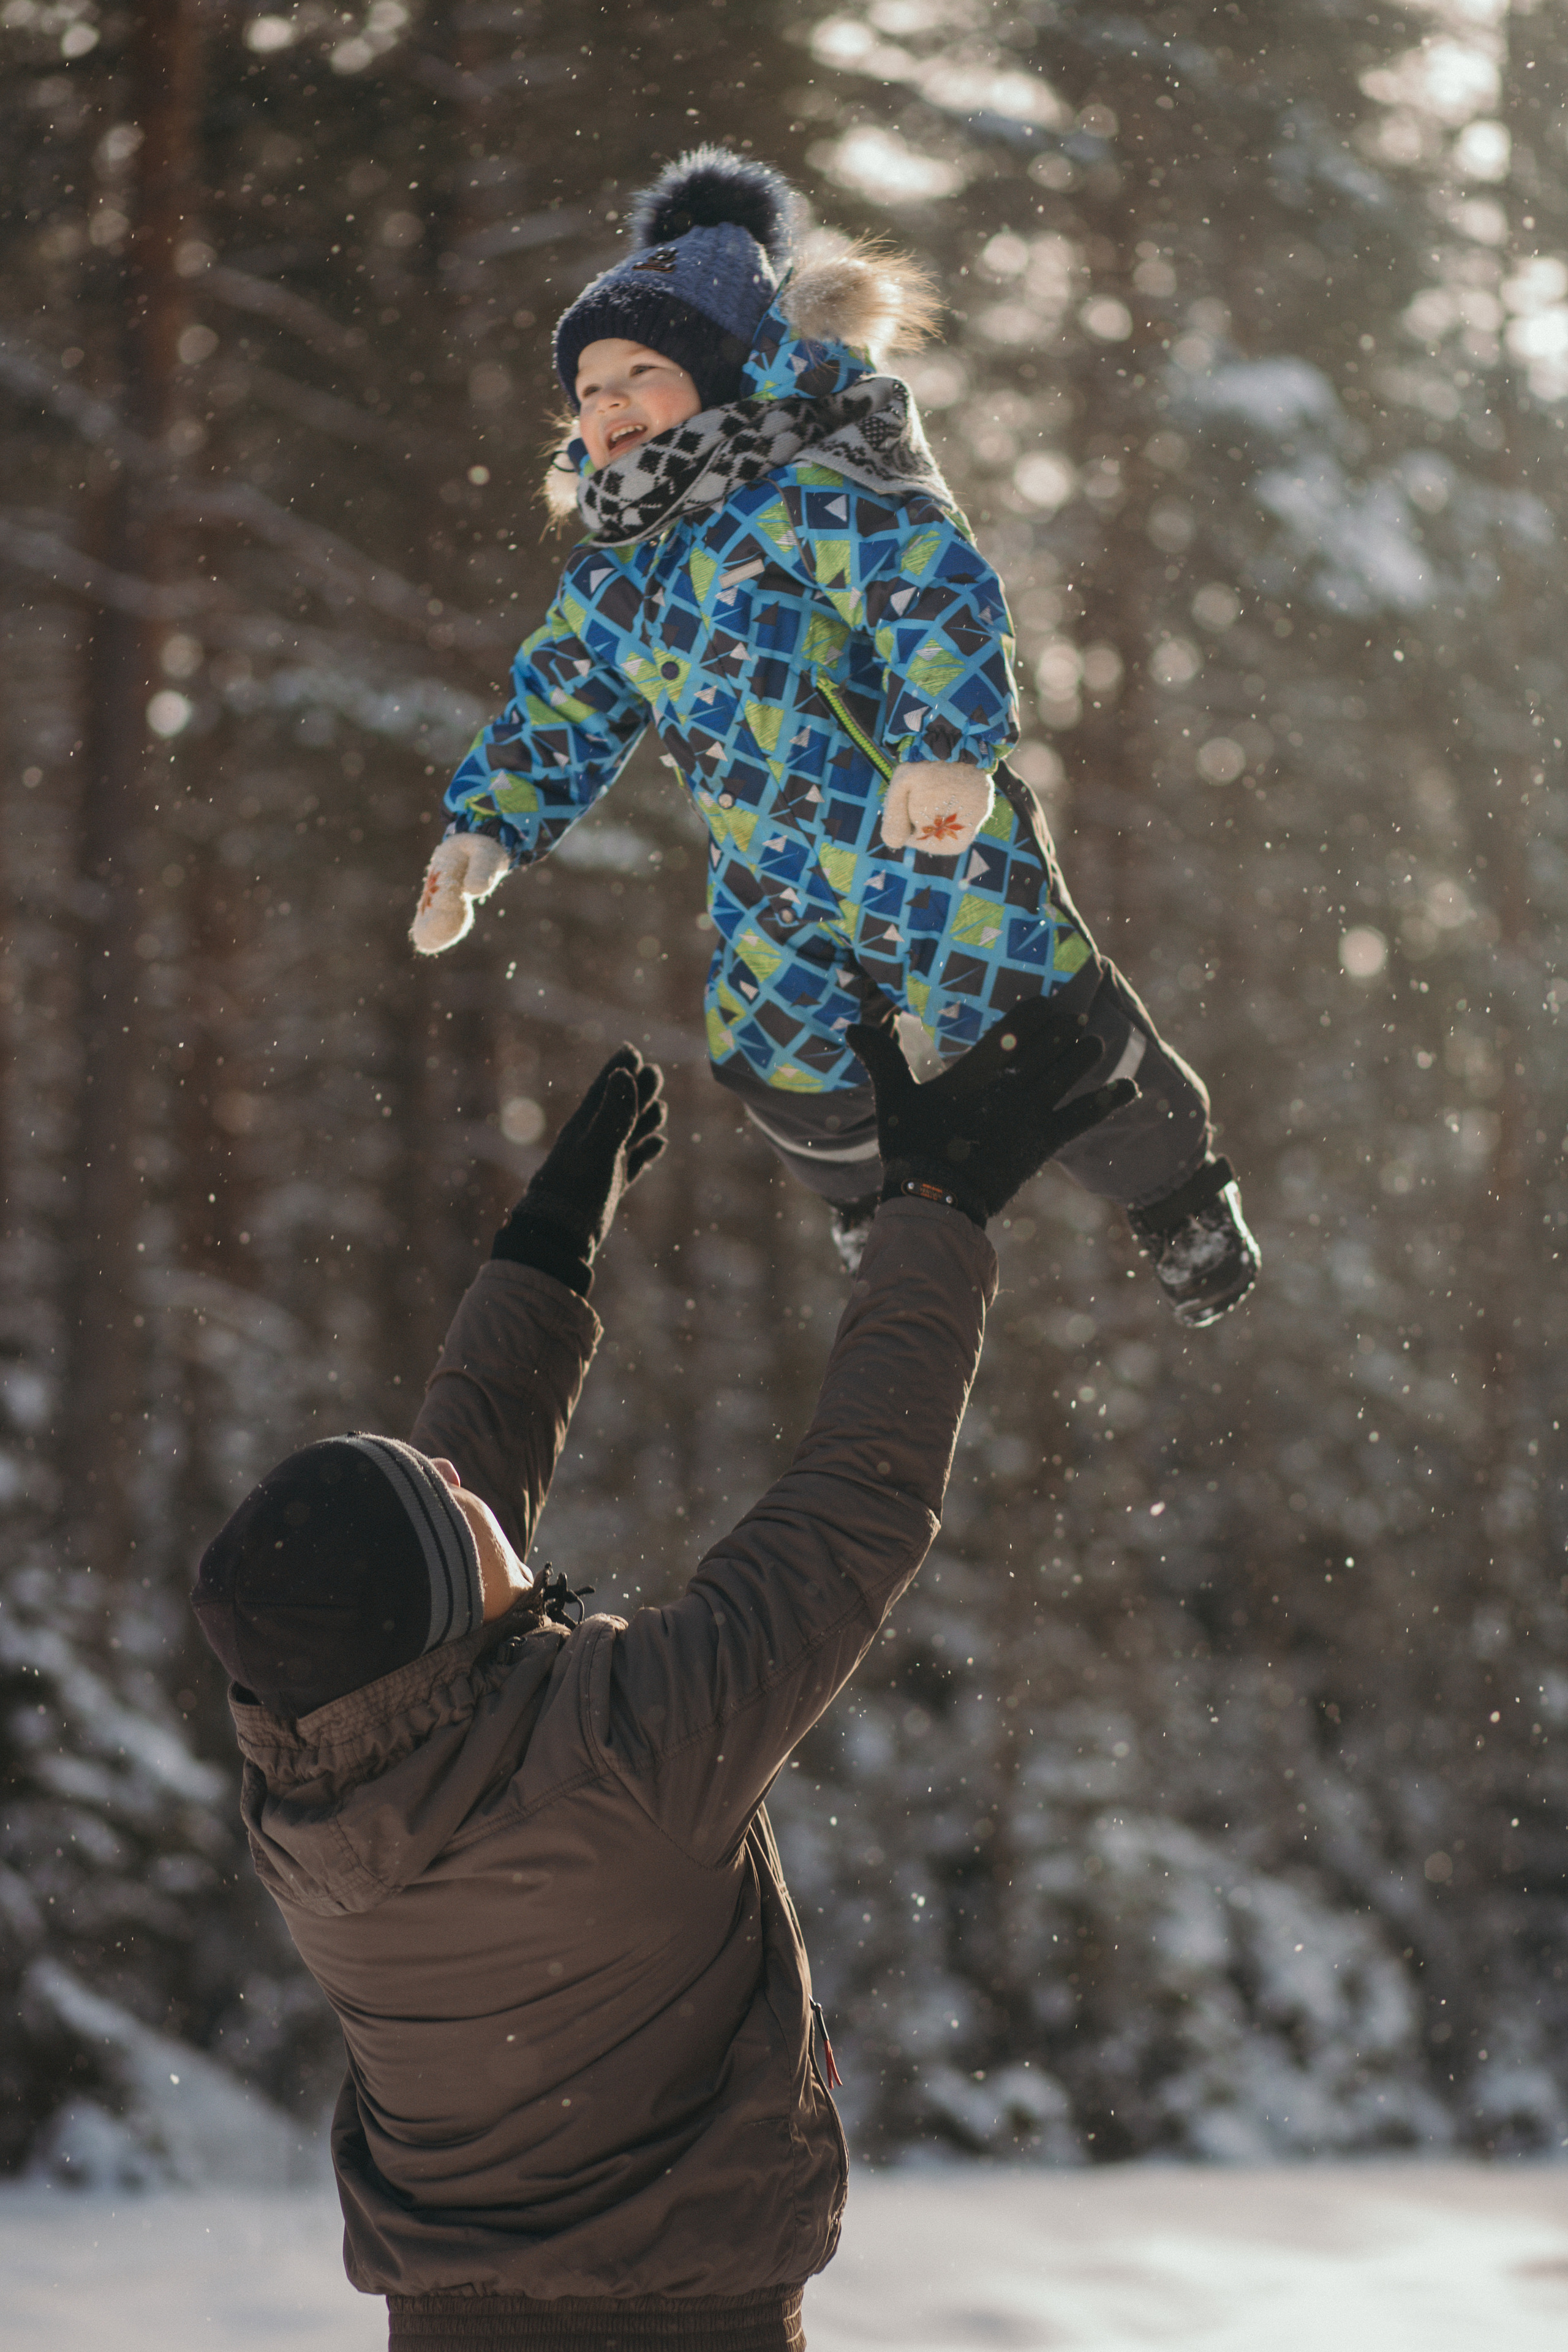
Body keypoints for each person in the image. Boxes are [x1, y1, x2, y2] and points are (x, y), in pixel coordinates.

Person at [190, 1010, 1133, 2351]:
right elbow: (852, 1503)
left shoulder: (308, 1800)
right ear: (447, 1597)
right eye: (444, 1502)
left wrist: (541, 1257)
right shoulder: (632, 1746)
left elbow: (427, 1590)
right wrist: (933, 1211)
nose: (458, 1476)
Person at [409, 148, 1257, 1330]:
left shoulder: (812, 488)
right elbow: (564, 699)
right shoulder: (621, 570)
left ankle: (1179, 1196)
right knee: (777, 1051)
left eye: (640, 372)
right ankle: (872, 1204)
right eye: (589, 384)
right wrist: (485, 829)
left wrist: (949, 745)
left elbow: (934, 590)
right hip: (772, 876)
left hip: (921, 832)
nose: (607, 403)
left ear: (722, 369)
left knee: (1037, 1026)